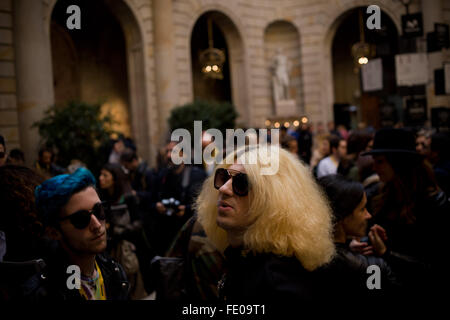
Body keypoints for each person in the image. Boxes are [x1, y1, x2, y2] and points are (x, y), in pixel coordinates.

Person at [196, 145, 335, 302]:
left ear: (272, 200)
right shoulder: (243, 256)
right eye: (224, 177)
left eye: (241, 183)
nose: (224, 188)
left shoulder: (279, 282)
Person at [363, 128, 449, 299]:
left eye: (379, 161)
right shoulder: (379, 195)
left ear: (399, 163)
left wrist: (387, 253)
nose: (374, 167)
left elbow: (435, 267)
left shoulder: (433, 203)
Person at [27, 167, 129, 300]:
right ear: (54, 232)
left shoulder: (114, 272)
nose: (97, 225)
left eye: (99, 210)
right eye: (81, 219)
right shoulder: (42, 293)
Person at [317, 174, 398, 302]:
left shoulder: (307, 255)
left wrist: (347, 245)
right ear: (343, 216)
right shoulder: (371, 268)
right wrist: (386, 254)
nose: (368, 215)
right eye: (362, 209)